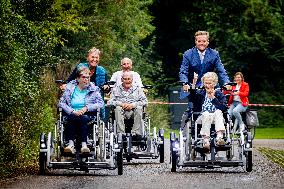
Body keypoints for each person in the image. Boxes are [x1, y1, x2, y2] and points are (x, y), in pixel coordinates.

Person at [179, 30, 230, 117]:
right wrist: (185, 83)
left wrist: (226, 82)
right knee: (193, 109)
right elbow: (183, 71)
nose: (201, 43)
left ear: (208, 42)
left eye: (204, 41)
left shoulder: (214, 54)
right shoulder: (188, 54)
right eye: (199, 41)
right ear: (195, 41)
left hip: (210, 85)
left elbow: (221, 70)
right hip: (194, 86)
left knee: (221, 104)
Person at [58, 67, 104, 154]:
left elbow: (100, 103)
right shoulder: (69, 89)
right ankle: (71, 145)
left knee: (83, 118)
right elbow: (61, 103)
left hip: (88, 115)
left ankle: (84, 145)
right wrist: (72, 111)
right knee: (72, 117)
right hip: (72, 114)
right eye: (83, 77)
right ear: (78, 78)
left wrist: (87, 108)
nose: (86, 80)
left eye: (88, 77)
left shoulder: (94, 89)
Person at [190, 72, 227, 150]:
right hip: (203, 117)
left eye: (209, 83)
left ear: (214, 83)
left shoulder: (219, 93)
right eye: (205, 83)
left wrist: (213, 98)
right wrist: (194, 83)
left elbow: (223, 108)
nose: (207, 85)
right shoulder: (201, 93)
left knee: (218, 111)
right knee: (206, 113)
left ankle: (219, 138)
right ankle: (206, 141)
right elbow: (192, 98)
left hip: (217, 117)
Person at [109, 71, 147, 138]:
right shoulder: (116, 89)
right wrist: (121, 104)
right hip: (121, 112)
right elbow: (110, 102)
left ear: (132, 80)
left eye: (129, 79)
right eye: (125, 79)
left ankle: (135, 133)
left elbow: (145, 101)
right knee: (117, 108)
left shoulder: (138, 89)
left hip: (133, 112)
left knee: (139, 108)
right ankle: (121, 134)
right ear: (121, 80)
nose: (127, 81)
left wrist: (133, 105)